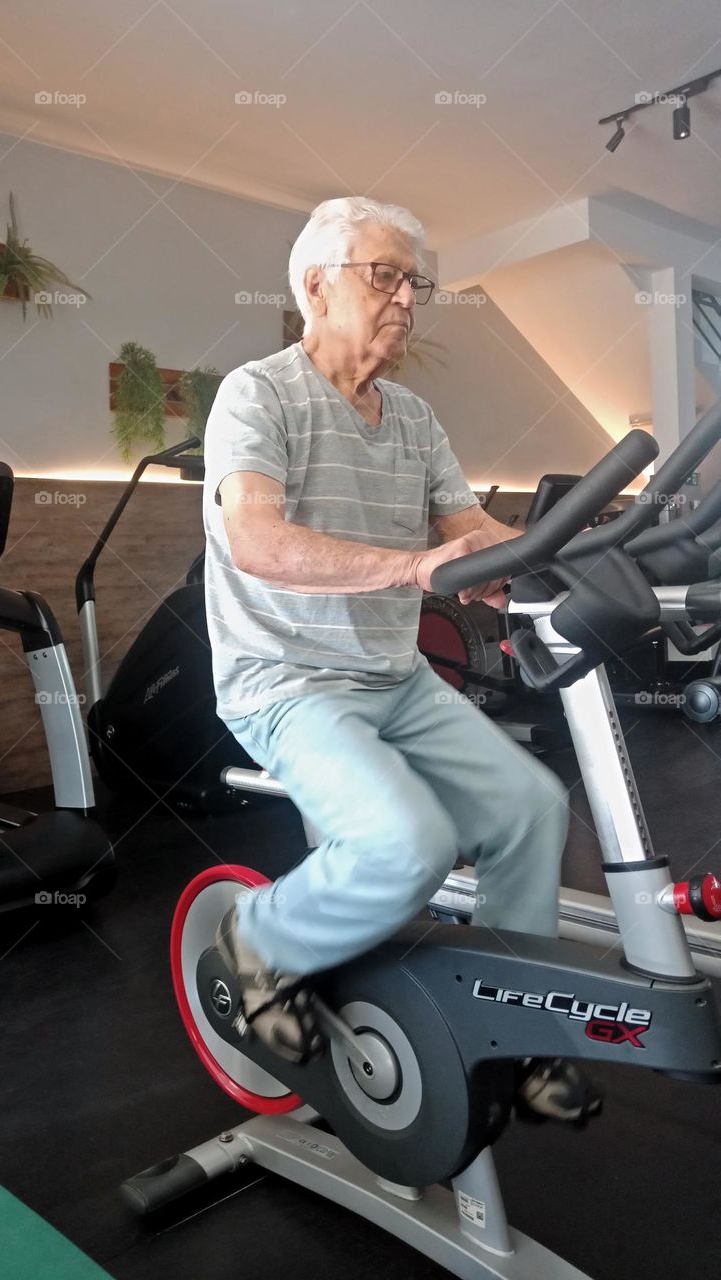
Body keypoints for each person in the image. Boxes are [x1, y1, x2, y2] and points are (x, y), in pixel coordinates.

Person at [203, 196, 600, 1124]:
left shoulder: (413, 418)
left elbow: (470, 532)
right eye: (384, 276)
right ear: (315, 285)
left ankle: (511, 1024)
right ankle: (258, 942)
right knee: (406, 843)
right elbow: (257, 540)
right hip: (287, 681)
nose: (407, 300)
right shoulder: (257, 395)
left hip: (396, 679)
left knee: (533, 808)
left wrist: (558, 555)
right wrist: (416, 567)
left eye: (413, 282)